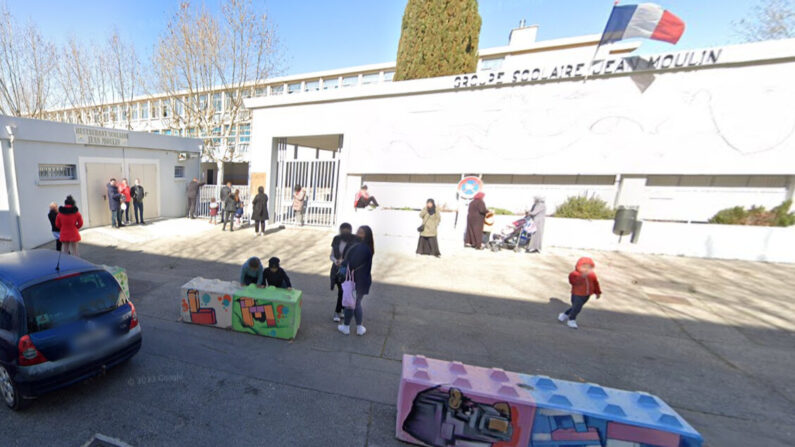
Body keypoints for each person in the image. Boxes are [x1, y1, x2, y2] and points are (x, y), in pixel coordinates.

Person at [337, 225, 374, 336]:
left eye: (361, 232)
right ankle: (359, 327)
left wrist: (342, 263)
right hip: (363, 280)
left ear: (366, 235)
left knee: (350, 304)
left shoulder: (362, 248)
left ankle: (346, 327)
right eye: (358, 231)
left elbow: (352, 263)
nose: (358, 234)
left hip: (356, 281)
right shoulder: (367, 247)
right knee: (356, 304)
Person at [558, 257, 602, 329]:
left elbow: (595, 283)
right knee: (577, 308)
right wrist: (581, 277)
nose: (586, 269)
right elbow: (573, 282)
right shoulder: (574, 274)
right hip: (577, 294)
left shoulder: (592, 274)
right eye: (584, 267)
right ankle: (571, 320)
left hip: (587, 295)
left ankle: (564, 314)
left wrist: (597, 292)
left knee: (576, 307)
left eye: (589, 267)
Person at [329, 223, 355, 322]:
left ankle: (340, 310)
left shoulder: (354, 241)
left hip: (349, 270)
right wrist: (336, 261)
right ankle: (338, 311)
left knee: (345, 291)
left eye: (347, 230)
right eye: (343, 230)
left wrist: (344, 262)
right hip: (337, 270)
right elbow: (331, 255)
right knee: (341, 291)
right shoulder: (336, 239)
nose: (345, 232)